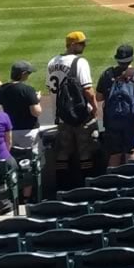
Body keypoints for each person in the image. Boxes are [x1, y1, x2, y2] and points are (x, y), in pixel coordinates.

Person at [46, 30, 98, 189]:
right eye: (82, 43)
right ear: (73, 44)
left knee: (63, 152)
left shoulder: (52, 62)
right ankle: (86, 187)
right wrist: (95, 107)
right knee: (84, 151)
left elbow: (50, 88)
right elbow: (88, 89)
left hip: (61, 115)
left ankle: (63, 187)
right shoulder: (79, 62)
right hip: (79, 114)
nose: (84, 46)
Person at [95, 44, 134, 168]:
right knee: (132, 151)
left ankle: (111, 183)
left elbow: (99, 97)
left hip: (112, 121)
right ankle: (132, 182)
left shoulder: (107, 74)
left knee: (114, 154)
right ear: (131, 58)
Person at [0, 60, 41, 153]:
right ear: (23, 74)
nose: (29, 75)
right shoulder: (27, 90)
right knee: (32, 159)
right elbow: (36, 112)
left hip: (10, 131)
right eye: (28, 73)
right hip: (28, 131)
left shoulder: (1, 89)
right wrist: (38, 100)